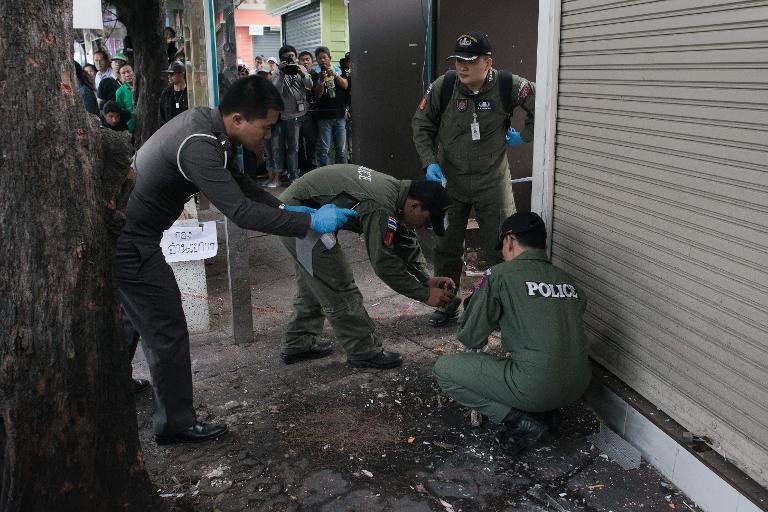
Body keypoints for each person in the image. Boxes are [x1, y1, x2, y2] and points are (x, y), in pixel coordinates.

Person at [115, 76, 357, 445]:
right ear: (239, 119)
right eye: (266, 127)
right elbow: (240, 212)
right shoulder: (199, 144)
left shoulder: (211, 129)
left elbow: (240, 184)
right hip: (130, 241)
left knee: (134, 316)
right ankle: (174, 424)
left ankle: (112, 384)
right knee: (166, 327)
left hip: (130, 234)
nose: (269, 136)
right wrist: (308, 222)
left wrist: (285, 208)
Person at [433, 212, 591, 455]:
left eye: (504, 248)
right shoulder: (569, 282)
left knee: (444, 370)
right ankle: (546, 412)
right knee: (535, 364)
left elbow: (470, 336)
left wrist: (481, 308)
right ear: (543, 245)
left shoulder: (499, 275)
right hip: (578, 385)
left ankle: (520, 421)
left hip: (535, 386)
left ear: (510, 240)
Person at [412, 31, 536, 327]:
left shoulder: (508, 85)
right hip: (450, 181)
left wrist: (525, 135)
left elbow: (543, 104)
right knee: (445, 245)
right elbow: (421, 124)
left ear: (488, 62)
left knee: (501, 246)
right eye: (458, 60)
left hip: (492, 180)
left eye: (470, 60)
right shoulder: (444, 86)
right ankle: (447, 304)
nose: (462, 66)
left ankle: (497, 306)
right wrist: (429, 163)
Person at [279, 164, 456, 370]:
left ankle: (297, 343)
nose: (424, 227)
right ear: (415, 205)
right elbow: (384, 264)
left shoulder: (398, 195)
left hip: (304, 210)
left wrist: (425, 278)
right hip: (299, 214)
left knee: (315, 282)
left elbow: (403, 239)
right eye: (426, 220)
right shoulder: (380, 206)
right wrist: (424, 294)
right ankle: (363, 352)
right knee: (338, 283)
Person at [270, 44, 313, 186]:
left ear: (296, 56)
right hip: (289, 116)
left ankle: (304, 172)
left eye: (292, 56)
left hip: (304, 113)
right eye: (286, 57)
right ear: (281, 59)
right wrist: (282, 74)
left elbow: (310, 85)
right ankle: (294, 176)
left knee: (306, 144)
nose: (290, 59)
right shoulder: (278, 71)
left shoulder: (300, 68)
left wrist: (302, 73)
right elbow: (276, 92)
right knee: (293, 148)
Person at [311, 46, 349, 166]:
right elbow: (317, 94)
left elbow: (345, 86)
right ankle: (326, 174)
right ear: (316, 60)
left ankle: (340, 173)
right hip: (324, 116)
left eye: (324, 57)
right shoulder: (315, 74)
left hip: (340, 115)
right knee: (324, 150)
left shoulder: (339, 70)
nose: (322, 60)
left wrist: (335, 75)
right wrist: (321, 81)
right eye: (319, 58)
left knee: (341, 150)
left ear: (330, 58)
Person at [298, 50, 319, 174]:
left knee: (311, 142)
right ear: (299, 62)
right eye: (302, 60)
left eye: (307, 59)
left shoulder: (316, 75)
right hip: (298, 113)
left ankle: (312, 170)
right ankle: (302, 169)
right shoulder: (296, 76)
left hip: (312, 114)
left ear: (312, 62)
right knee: (298, 144)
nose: (305, 62)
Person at [158, 61, 188, 127]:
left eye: (172, 74)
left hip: (186, 130)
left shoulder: (189, 93)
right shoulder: (166, 93)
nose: (169, 76)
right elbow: (161, 117)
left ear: (182, 74)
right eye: (168, 74)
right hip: (170, 130)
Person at [114, 63, 135, 134]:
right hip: (131, 127)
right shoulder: (120, 92)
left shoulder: (143, 86)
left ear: (134, 72)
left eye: (129, 71)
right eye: (123, 73)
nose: (127, 75)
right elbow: (120, 112)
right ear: (120, 76)